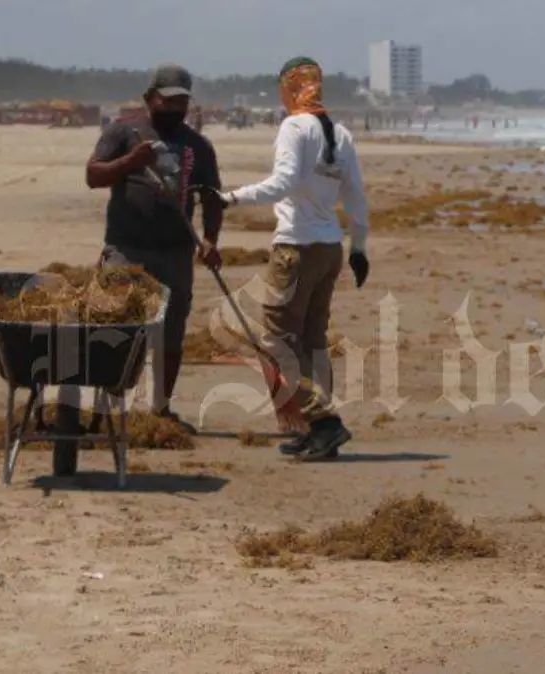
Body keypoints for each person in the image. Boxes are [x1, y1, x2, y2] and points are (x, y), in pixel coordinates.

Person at [215, 56, 370, 461]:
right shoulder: (340, 133)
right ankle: (314, 431)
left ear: (288, 88)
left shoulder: (294, 127)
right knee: (312, 340)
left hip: (296, 249)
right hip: (329, 250)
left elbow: (281, 183)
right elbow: (356, 198)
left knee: (277, 341)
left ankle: (323, 421)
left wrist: (231, 198)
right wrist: (358, 249)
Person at [75, 62, 223, 434]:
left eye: (181, 102)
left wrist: (210, 240)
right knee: (115, 330)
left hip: (175, 254)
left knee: (170, 335)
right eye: (167, 101)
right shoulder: (123, 132)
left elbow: (211, 197)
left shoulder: (198, 146)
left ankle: (161, 410)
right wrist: (131, 162)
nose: (174, 108)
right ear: (149, 98)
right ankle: (104, 412)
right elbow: (93, 175)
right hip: (126, 250)